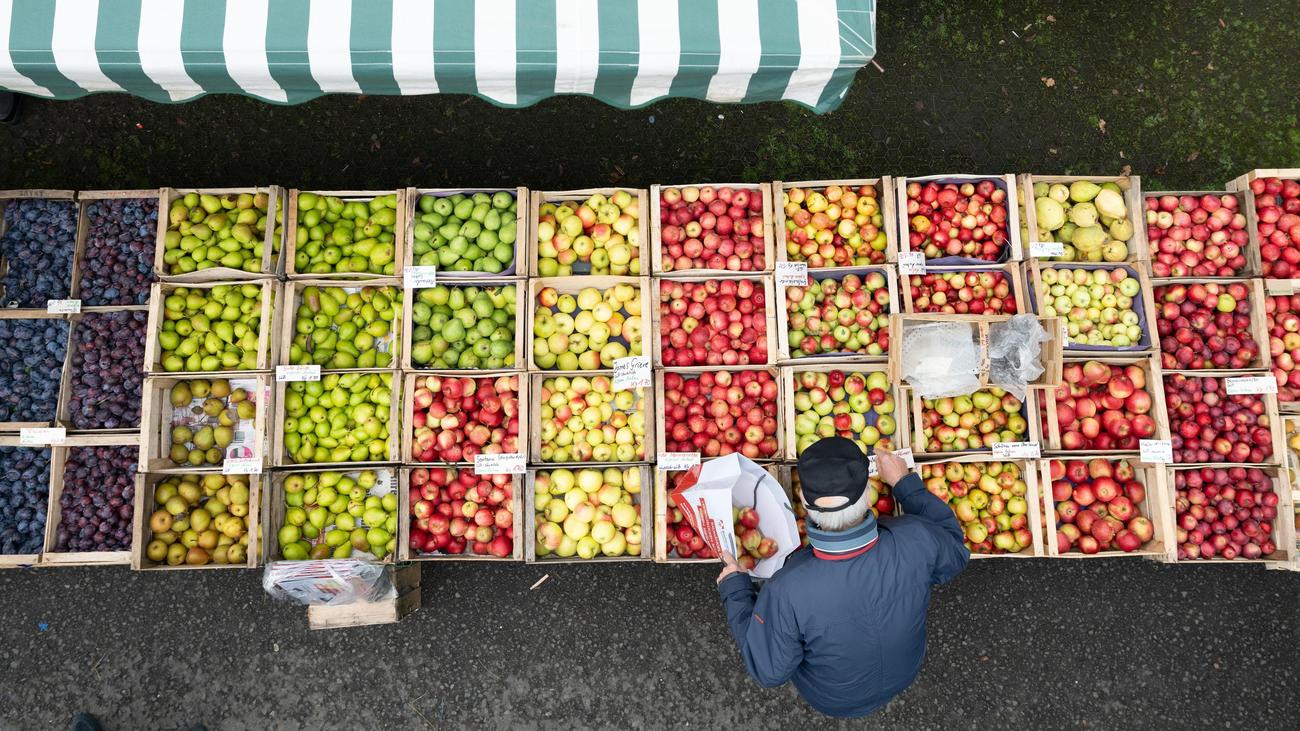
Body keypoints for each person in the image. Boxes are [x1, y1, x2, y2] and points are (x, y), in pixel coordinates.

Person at [715, 437, 969, 718]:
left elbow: (768, 670)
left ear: (802, 501)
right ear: (870, 493)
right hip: (905, 671)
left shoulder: (787, 588)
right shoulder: (916, 538)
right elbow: (956, 551)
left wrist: (736, 588)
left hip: (831, 698)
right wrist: (904, 484)